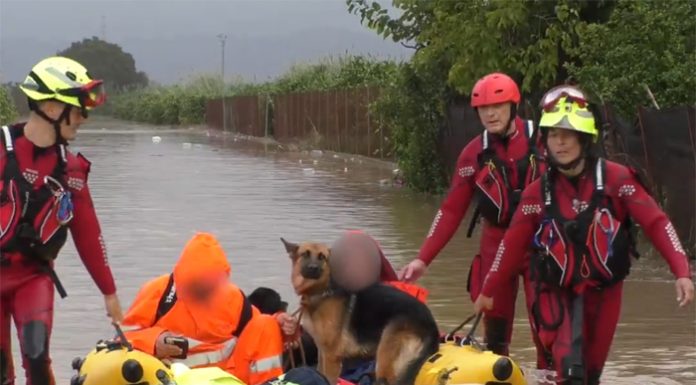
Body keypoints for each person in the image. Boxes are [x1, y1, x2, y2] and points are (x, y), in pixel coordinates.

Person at [474, 85, 695, 384]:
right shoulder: (536, 193)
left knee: (591, 374)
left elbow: (657, 223)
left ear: (585, 139)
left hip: (603, 293)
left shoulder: (618, 180)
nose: (560, 142)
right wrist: (488, 289)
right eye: (553, 135)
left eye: (568, 135)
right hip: (554, 290)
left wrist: (681, 271)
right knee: (569, 367)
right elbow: (511, 245)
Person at [399, 72, 546, 357]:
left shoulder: (543, 140)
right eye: (483, 108)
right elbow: (451, 210)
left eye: (498, 106)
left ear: (513, 106)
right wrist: (422, 258)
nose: (491, 114)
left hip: (539, 245)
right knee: (496, 338)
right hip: (495, 245)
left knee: (548, 331)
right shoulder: (472, 155)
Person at [0, 56, 123, 385]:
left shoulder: (72, 170)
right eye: (79, 108)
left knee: (37, 359)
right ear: (53, 108)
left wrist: (109, 292)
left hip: (33, 278)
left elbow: (88, 233)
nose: (84, 118)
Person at [121, 232, 297, 385]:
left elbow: (256, 333)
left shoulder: (233, 297)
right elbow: (122, 337)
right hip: (173, 379)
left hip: (227, 379)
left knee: (266, 324)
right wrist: (155, 342)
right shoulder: (158, 291)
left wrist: (280, 324)